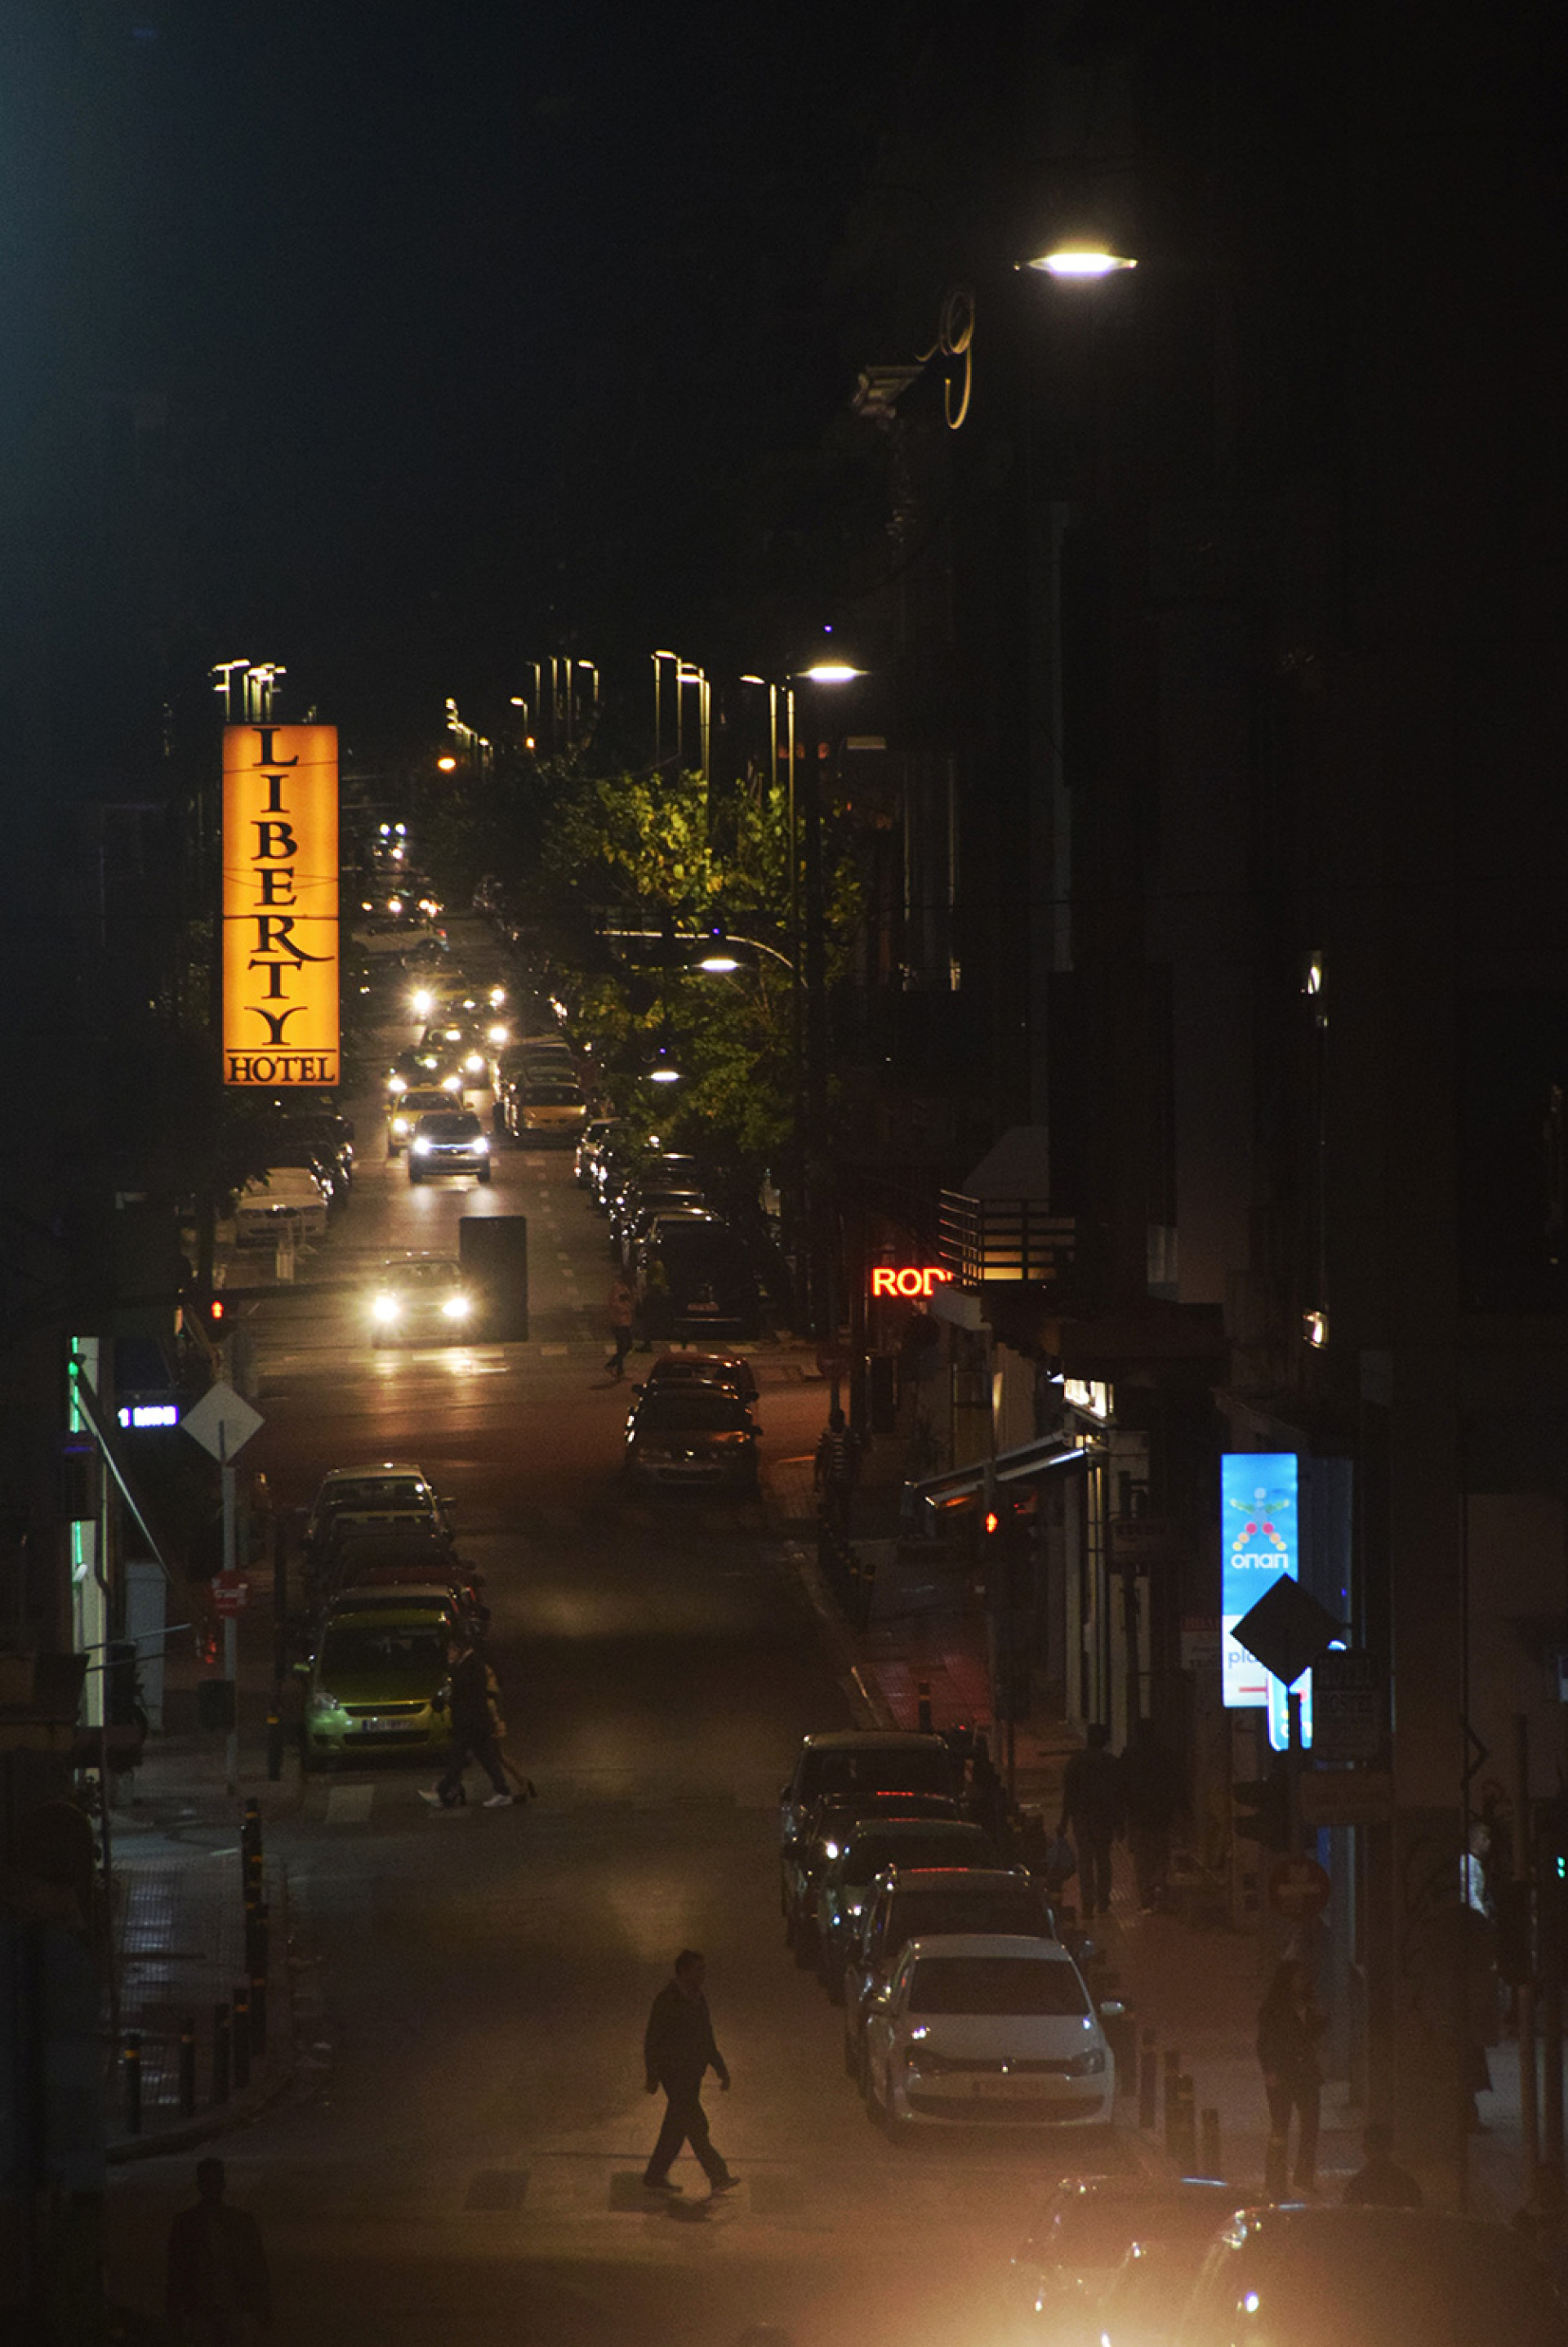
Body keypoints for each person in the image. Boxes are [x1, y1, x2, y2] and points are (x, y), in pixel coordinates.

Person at [642, 1948, 736, 2196]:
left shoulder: (697, 1999)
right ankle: (718, 2174)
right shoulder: (668, 2001)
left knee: (675, 2127)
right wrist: (652, 2073)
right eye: (698, 1970)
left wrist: (720, 2068)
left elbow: (707, 2038)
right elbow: (653, 2039)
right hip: (674, 2074)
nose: (703, 1975)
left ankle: (654, 2175)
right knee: (696, 2124)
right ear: (683, 1972)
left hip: (692, 2073)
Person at [166, 2157, 271, 2345]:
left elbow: (257, 2267)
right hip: (201, 2310)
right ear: (200, 2186)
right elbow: (176, 2270)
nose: (212, 2188)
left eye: (216, 2182)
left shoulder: (241, 2221)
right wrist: (175, 2314)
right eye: (208, 2183)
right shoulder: (185, 2223)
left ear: (223, 2184)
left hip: (234, 2309)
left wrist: (261, 2310)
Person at [1257, 1958, 1326, 2196]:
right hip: (1283, 2074)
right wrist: (1270, 2071)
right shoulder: (1273, 2010)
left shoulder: (1308, 2006)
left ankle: (1304, 2177)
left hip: (1306, 2074)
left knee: (1310, 2127)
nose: (1303, 1982)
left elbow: (1312, 2036)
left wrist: (1318, 2017)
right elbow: (1264, 2043)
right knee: (1280, 2128)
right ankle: (1275, 2181)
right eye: (1299, 1977)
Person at [420, 1634, 514, 1808]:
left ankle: (442, 1792)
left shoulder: (472, 1665)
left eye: (451, 1649)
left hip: (471, 1721)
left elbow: (464, 1690)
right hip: (472, 1721)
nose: (449, 1653)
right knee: (485, 1758)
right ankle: (502, 1791)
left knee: (459, 1757)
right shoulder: (467, 1664)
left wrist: (452, 1668)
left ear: (459, 1649)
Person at [1058, 1723, 1121, 1919]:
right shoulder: (1111, 1763)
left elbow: (1069, 1794)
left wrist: (1064, 1821)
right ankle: (1103, 1899)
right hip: (1104, 1818)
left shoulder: (1076, 1762)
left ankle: (1088, 1902)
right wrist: (1120, 1822)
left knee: (1085, 1860)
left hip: (1082, 1817)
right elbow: (1118, 1795)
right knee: (1103, 1859)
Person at [1119, 1718, 1182, 1912]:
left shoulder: (1130, 1755)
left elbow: (1121, 1785)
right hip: (1161, 1814)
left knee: (1142, 1857)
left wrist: (1122, 1813)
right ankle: (1158, 1884)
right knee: (1160, 1853)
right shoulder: (1165, 1754)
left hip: (1139, 1815)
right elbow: (1176, 1782)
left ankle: (1147, 1893)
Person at [1343, 2120, 1423, 2207]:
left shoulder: (1356, 2185)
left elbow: (1349, 2211)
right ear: (1392, 2147)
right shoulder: (1407, 2183)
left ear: (1364, 2149)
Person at [813, 1407, 862, 1536]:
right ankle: (834, 1531)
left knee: (845, 1506)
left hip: (846, 1478)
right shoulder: (825, 1436)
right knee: (830, 1505)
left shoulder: (851, 1436)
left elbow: (857, 1457)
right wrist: (817, 1476)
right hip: (831, 1477)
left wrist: (855, 1477)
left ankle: (844, 1531)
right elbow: (819, 1456)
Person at [605, 1271, 636, 1378]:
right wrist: (624, 1309)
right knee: (625, 1345)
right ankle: (611, 1364)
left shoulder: (627, 1288)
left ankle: (620, 1370)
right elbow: (613, 1302)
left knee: (624, 1346)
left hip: (625, 1321)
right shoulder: (617, 1288)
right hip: (618, 1322)